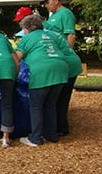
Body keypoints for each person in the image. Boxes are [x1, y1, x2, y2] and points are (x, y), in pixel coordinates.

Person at [13, 14, 69, 147]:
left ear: (27, 28)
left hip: (42, 71)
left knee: (36, 105)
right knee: (51, 104)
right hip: (61, 70)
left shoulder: (28, 39)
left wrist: (14, 76)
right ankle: (51, 135)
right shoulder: (50, 35)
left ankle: (36, 138)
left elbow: (16, 58)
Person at [41, 0, 79, 136]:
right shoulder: (54, 15)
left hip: (64, 58)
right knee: (57, 97)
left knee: (61, 97)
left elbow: (70, 34)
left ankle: (62, 128)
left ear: (56, 1)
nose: (46, 6)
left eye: (48, 2)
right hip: (58, 58)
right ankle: (57, 125)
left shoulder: (65, 14)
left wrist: (66, 53)